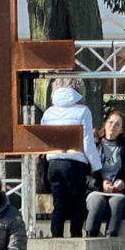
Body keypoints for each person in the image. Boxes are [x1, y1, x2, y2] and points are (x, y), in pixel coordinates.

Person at [41, 77, 101, 238]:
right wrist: (97, 168)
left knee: (59, 205)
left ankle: (56, 241)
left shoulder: (48, 113)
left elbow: (44, 140)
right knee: (76, 204)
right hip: (74, 162)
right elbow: (87, 142)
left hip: (53, 162)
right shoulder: (83, 111)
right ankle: (75, 240)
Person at [84, 109, 125, 237]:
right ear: (105, 124)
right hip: (96, 190)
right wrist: (99, 184)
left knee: (116, 203)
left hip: (118, 193)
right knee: (97, 203)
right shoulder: (93, 146)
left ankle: (111, 239)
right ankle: (90, 237)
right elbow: (84, 175)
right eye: (110, 122)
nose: (112, 126)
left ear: (121, 130)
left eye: (117, 124)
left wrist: (124, 183)